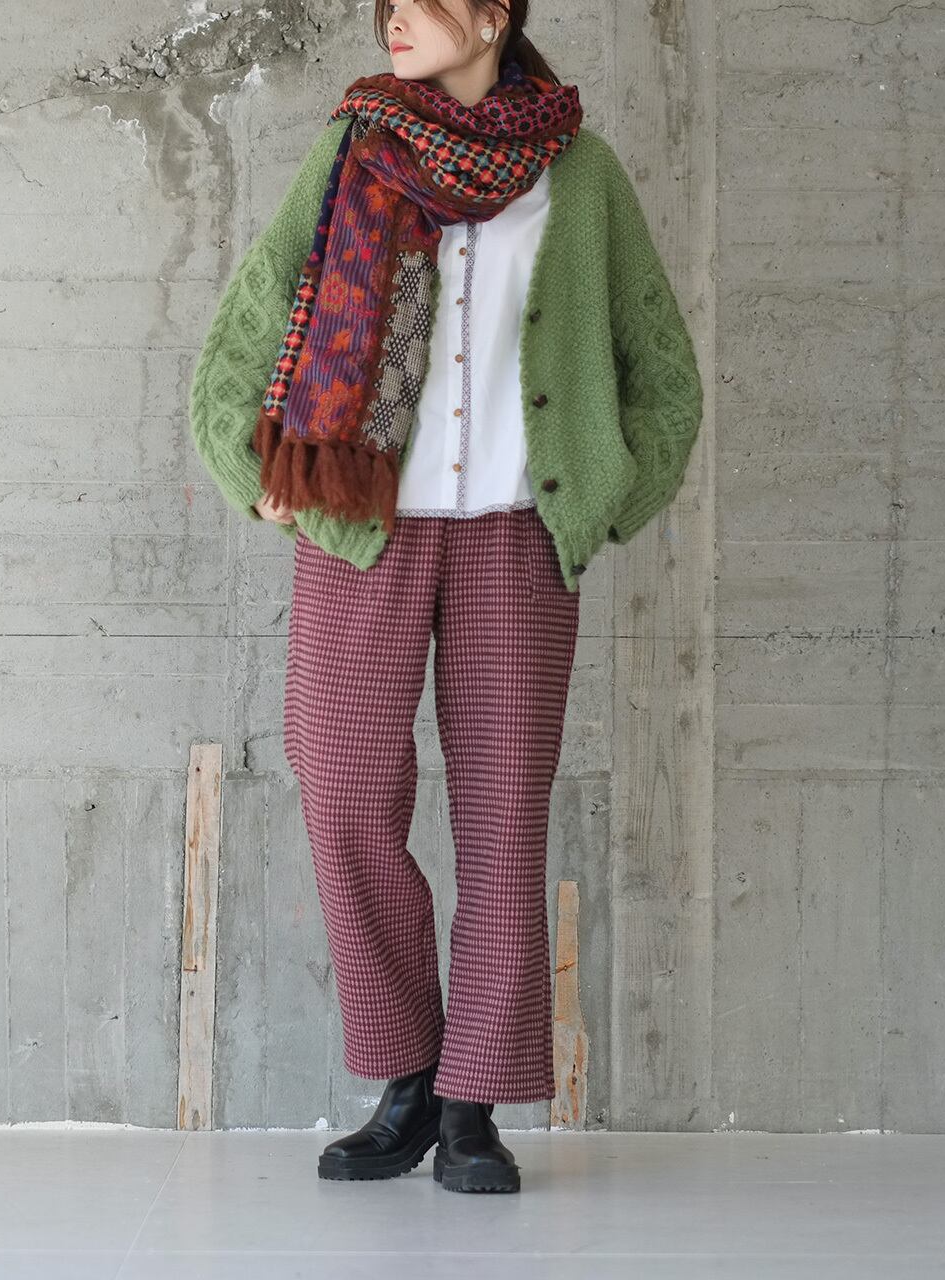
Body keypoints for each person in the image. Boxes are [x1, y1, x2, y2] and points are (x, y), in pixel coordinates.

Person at [189, 0, 704, 1195]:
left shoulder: (579, 174)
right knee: (344, 791)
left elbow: (660, 368)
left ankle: (473, 1100)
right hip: (359, 526)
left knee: (502, 814)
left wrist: (607, 498)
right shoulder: (355, 146)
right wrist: (246, 466)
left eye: (419, 2)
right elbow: (249, 321)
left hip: (515, 534)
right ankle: (406, 1078)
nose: (393, 19)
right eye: (385, 6)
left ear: (490, 17)